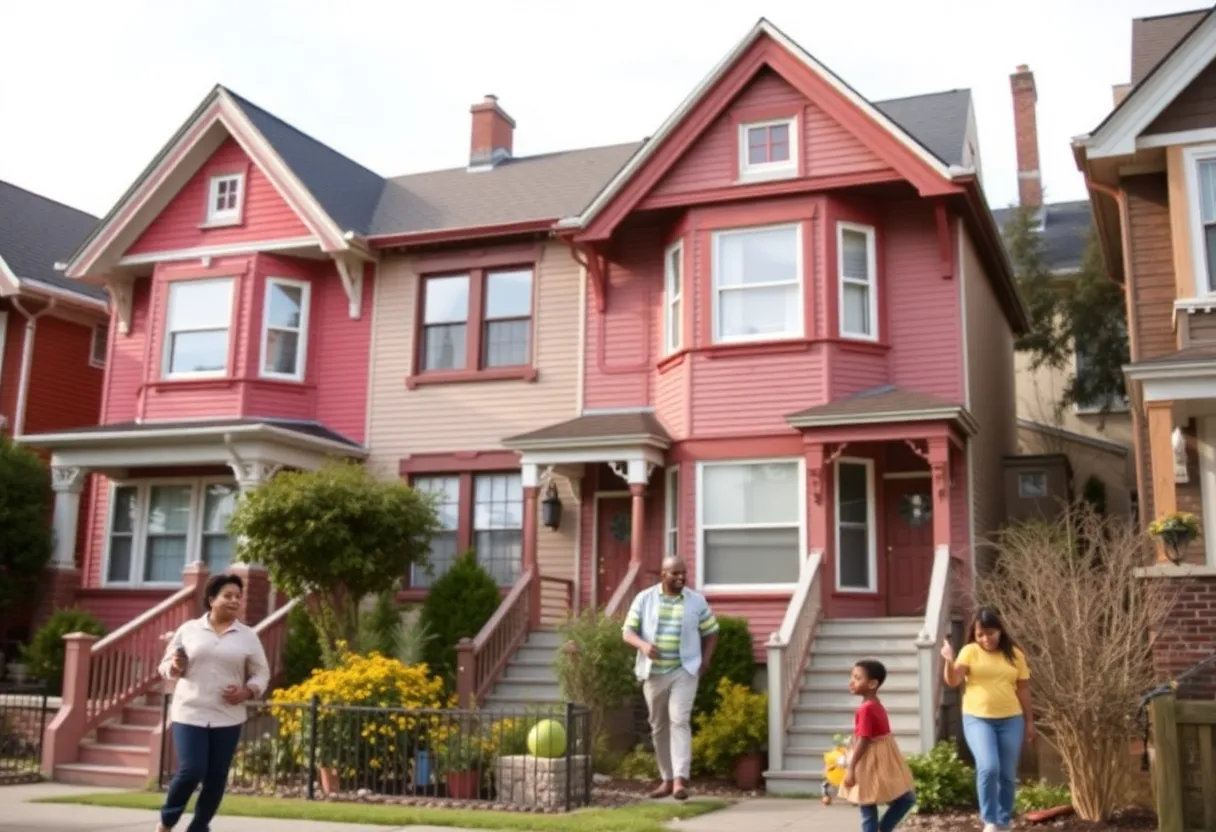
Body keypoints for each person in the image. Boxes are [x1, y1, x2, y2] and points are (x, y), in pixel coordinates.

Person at [155, 573, 270, 832]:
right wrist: (175, 666)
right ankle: (166, 822)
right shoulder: (188, 630)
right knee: (192, 769)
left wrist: (247, 691)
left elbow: (262, 672)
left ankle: (198, 827)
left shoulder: (247, 636)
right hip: (190, 712)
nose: (234, 601)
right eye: (228, 596)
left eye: (238, 597)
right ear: (211, 599)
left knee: (216, 777)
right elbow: (164, 666)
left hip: (228, 716)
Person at [622, 555, 718, 801]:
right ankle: (666, 779)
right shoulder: (644, 598)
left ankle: (679, 781)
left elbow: (711, 630)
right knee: (659, 726)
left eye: (683, 573)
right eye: (675, 573)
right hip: (654, 673)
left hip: (684, 670)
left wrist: (705, 659)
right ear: (662, 575)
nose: (681, 577)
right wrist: (643, 646)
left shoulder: (696, 601)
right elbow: (627, 631)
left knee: (679, 721)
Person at [941, 607, 1036, 832]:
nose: (986, 639)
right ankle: (990, 820)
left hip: (1011, 719)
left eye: (990, 633)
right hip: (978, 719)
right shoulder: (970, 651)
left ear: (1000, 631)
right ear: (974, 634)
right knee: (988, 767)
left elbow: (1023, 689)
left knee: (1007, 773)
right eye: (980, 634)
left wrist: (1030, 721)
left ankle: (1003, 821)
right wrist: (948, 660)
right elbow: (953, 681)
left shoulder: (1015, 653)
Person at [841, 659, 916, 832]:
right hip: (873, 757)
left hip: (873, 758)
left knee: (897, 799)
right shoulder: (871, 705)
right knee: (871, 805)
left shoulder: (868, 707)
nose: (851, 681)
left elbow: (865, 738)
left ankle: (882, 829)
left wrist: (851, 767)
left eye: (857, 678)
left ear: (873, 683)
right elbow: (862, 736)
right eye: (852, 676)